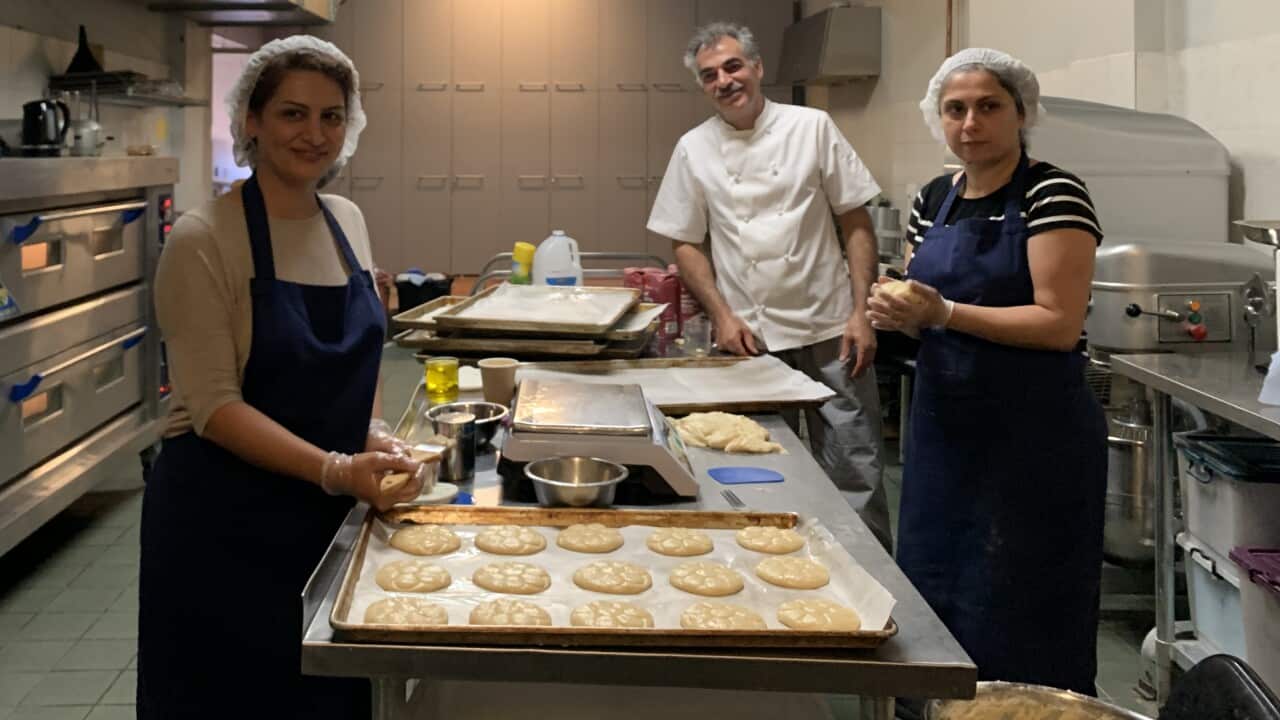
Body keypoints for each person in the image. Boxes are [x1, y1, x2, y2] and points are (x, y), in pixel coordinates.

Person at [138, 36, 425, 718]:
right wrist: (334, 468)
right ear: (252, 122)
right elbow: (212, 407)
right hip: (225, 524)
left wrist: (374, 433)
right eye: (293, 114)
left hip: (325, 514)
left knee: (327, 697)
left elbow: (359, 353)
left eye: (331, 117)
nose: (314, 134)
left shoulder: (347, 222)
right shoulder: (203, 240)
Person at [867, 48, 1106, 694]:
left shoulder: (1052, 192)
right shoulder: (934, 199)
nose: (971, 122)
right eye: (956, 109)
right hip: (945, 432)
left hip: (1034, 440)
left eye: (988, 106)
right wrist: (900, 314)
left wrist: (942, 310)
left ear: (1020, 113)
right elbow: (930, 306)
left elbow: (1058, 323)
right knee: (934, 588)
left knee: (1024, 601)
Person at [647, 22, 891, 550]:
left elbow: (856, 222)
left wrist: (861, 312)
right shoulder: (694, 148)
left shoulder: (812, 126)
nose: (724, 80)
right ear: (702, 86)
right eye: (710, 75)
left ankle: (871, 576)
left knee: (856, 464)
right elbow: (685, 242)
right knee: (755, 464)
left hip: (830, 327)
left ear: (756, 68)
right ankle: (768, 566)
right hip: (749, 337)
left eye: (733, 66)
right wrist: (722, 315)